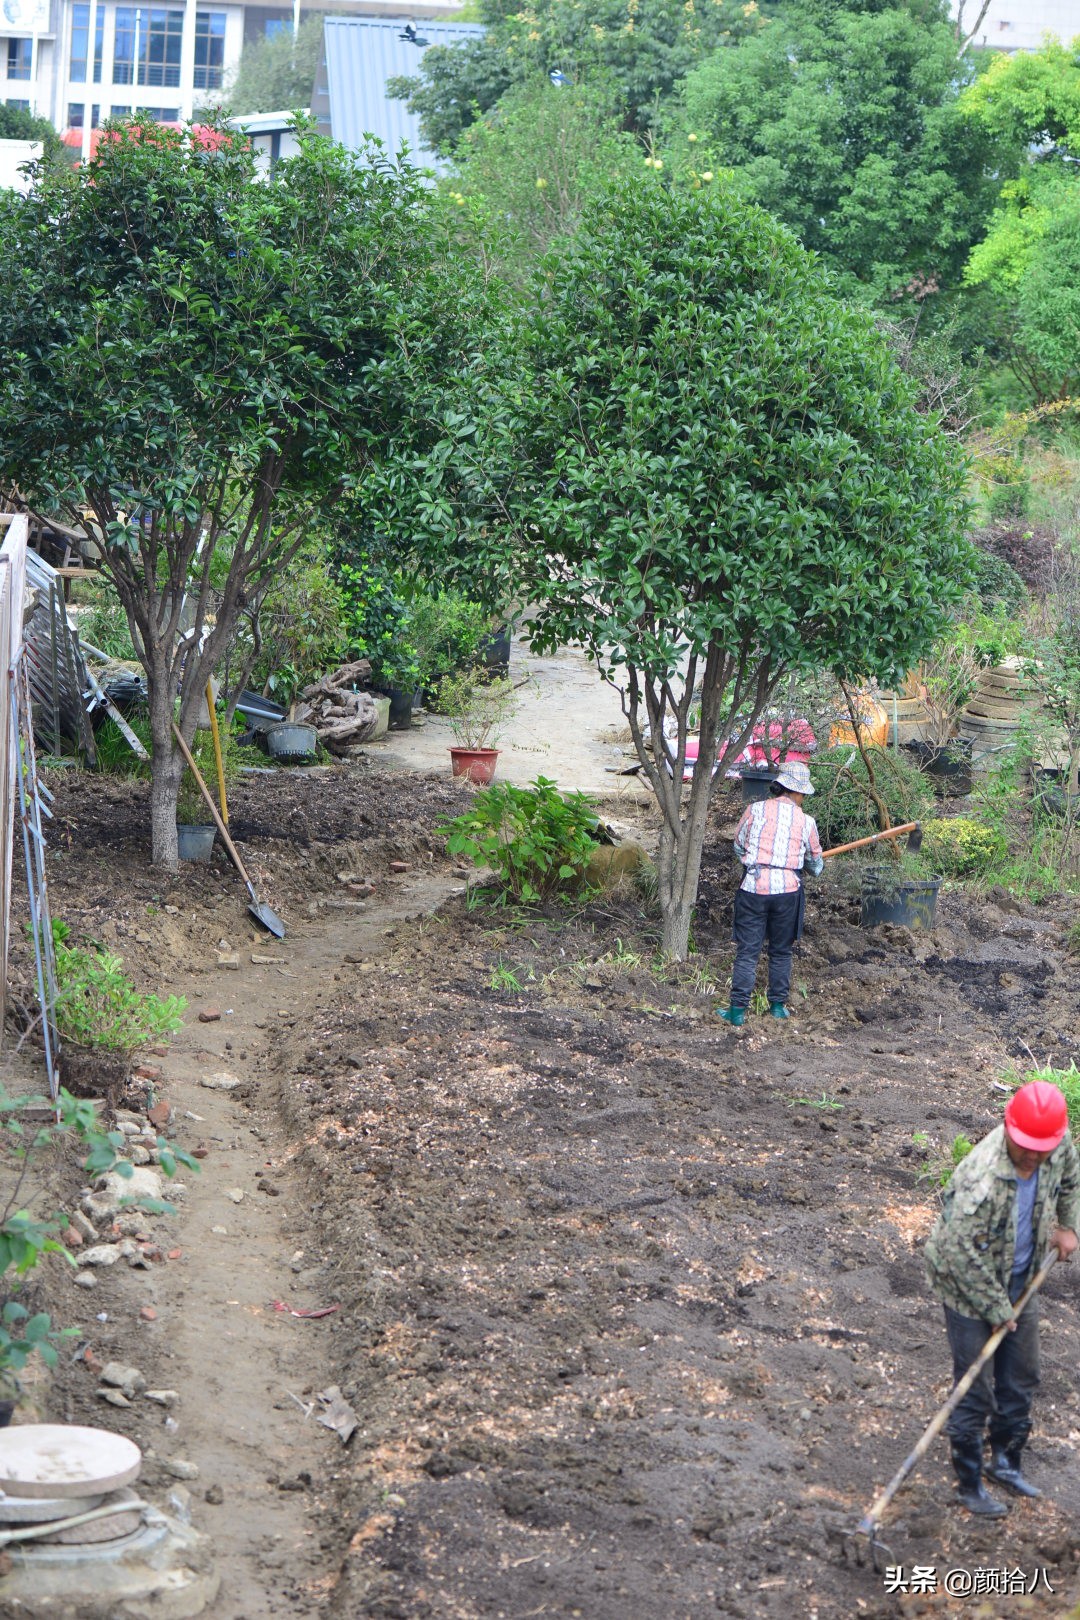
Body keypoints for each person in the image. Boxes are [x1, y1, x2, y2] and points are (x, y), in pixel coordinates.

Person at [924, 1080, 1080, 1516]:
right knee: (975, 1387)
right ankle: (969, 1483)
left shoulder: (1055, 1141)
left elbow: (1070, 1179)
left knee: (1021, 1375)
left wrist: (1068, 1225)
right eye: (1024, 1146)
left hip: (1020, 1275)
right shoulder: (981, 1177)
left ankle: (1006, 1461)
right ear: (1009, 1129)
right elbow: (960, 1255)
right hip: (965, 1285)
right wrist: (995, 1310)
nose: (1032, 1156)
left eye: (1040, 1149)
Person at [717, 761, 823, 1027]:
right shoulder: (807, 822)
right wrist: (805, 863)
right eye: (802, 794)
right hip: (788, 892)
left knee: (747, 952)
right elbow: (816, 866)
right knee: (781, 951)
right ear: (796, 792)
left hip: (753, 887)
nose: (802, 799)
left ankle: (737, 1011)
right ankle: (777, 1007)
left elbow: (739, 846)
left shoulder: (755, 810)